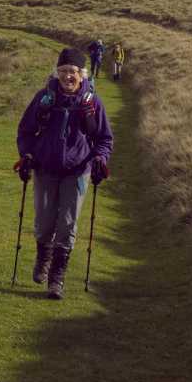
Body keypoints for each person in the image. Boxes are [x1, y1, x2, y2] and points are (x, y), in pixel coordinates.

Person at [15, 46, 113, 299]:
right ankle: (43, 259)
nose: (67, 76)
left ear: (82, 74)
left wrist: (100, 159)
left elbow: (104, 138)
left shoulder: (92, 103)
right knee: (45, 222)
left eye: (72, 71)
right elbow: (25, 131)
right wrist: (27, 154)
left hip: (78, 171)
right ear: (56, 72)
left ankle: (56, 279)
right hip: (45, 168)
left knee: (68, 224)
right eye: (63, 71)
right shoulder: (44, 98)